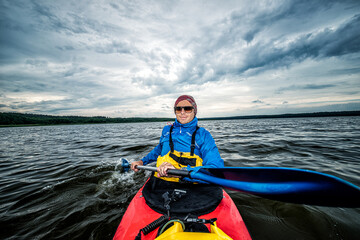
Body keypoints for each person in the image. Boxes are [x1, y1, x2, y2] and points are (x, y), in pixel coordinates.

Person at [131, 95, 224, 182]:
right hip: (162, 180)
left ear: (194, 111)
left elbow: (215, 167)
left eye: (187, 109)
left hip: (190, 182)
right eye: (178, 109)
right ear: (175, 111)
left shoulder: (203, 135)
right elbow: (158, 149)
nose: (182, 112)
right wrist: (142, 162)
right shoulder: (167, 130)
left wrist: (179, 172)